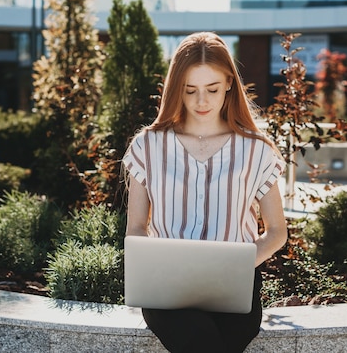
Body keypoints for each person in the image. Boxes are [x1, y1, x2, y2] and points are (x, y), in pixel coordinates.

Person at [122, 31, 287, 353]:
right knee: (198, 337)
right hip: (166, 288)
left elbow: (277, 232)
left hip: (235, 287)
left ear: (229, 83)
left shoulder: (257, 150)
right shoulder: (148, 146)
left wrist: (234, 266)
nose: (202, 101)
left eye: (212, 89)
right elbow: (136, 228)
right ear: (175, 90)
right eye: (190, 90)